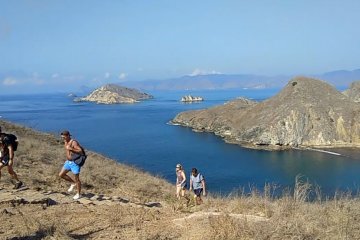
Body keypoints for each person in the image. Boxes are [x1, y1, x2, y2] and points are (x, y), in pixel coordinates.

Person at [58, 130, 84, 200]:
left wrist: (71, 148)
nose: (63, 139)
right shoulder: (65, 141)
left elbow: (80, 150)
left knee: (77, 179)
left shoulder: (74, 142)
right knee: (61, 175)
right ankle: (73, 183)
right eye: (62, 137)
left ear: (68, 136)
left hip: (74, 163)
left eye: (64, 137)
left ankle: (78, 194)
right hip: (68, 162)